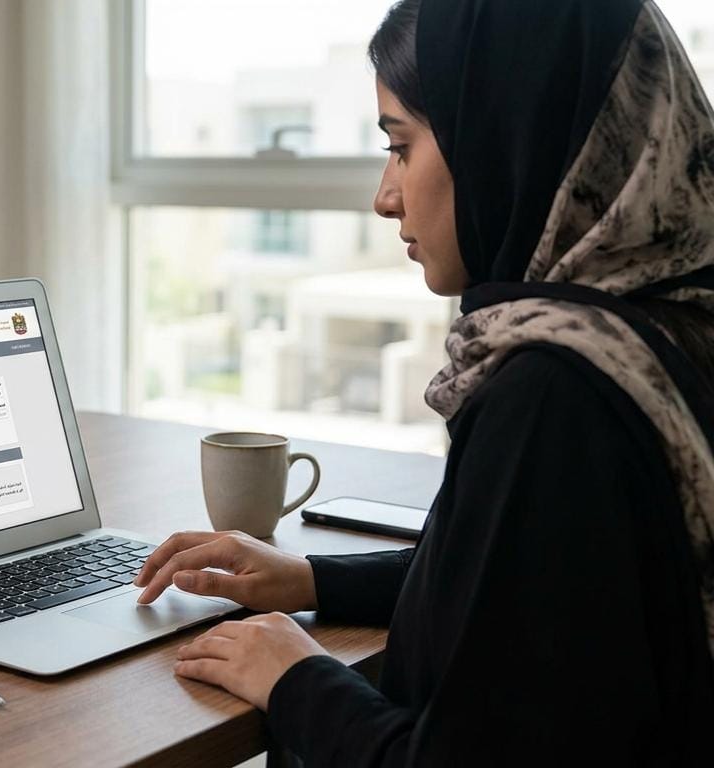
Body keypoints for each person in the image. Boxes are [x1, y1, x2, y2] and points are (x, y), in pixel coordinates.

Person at [134, 0, 714, 763]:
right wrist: (311, 579)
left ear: (504, 138)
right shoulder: (666, 333)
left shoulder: (555, 398)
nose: (386, 196)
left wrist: (296, 678)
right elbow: (522, 593)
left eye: (401, 147)